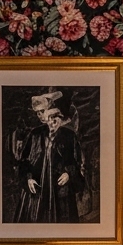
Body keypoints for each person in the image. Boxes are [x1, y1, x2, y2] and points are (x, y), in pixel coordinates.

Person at [13, 92, 86, 224]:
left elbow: (78, 162)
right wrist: (28, 179)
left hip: (60, 192)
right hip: (37, 192)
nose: (40, 116)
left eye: (42, 111)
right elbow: (23, 162)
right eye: (38, 113)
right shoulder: (34, 134)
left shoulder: (69, 136)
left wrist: (69, 174)